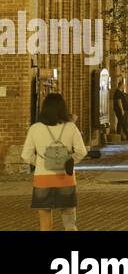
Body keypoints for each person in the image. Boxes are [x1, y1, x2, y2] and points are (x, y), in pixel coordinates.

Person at [22, 93, 87, 232]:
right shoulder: (70, 127)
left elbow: (26, 155)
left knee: (45, 225)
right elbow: (82, 151)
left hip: (42, 179)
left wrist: (40, 163)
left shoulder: (35, 128)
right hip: (66, 179)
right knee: (69, 223)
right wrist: (71, 161)